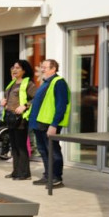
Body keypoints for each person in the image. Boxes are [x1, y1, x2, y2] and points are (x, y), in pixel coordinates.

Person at [28, 59, 71, 187]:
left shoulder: (59, 82)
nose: (42, 69)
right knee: (43, 150)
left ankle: (57, 178)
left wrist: (54, 125)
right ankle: (48, 175)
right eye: (42, 67)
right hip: (39, 123)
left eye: (45, 67)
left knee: (53, 151)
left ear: (53, 69)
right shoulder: (46, 83)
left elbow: (61, 105)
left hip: (48, 124)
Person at [2, 60, 36, 180]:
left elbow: (37, 98)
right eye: (13, 67)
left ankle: (25, 173)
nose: (14, 70)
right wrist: (4, 102)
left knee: (21, 146)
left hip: (21, 119)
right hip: (11, 118)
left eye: (17, 68)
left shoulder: (28, 84)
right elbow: (10, 98)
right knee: (14, 146)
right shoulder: (12, 83)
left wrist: (25, 106)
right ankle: (16, 171)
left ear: (24, 70)